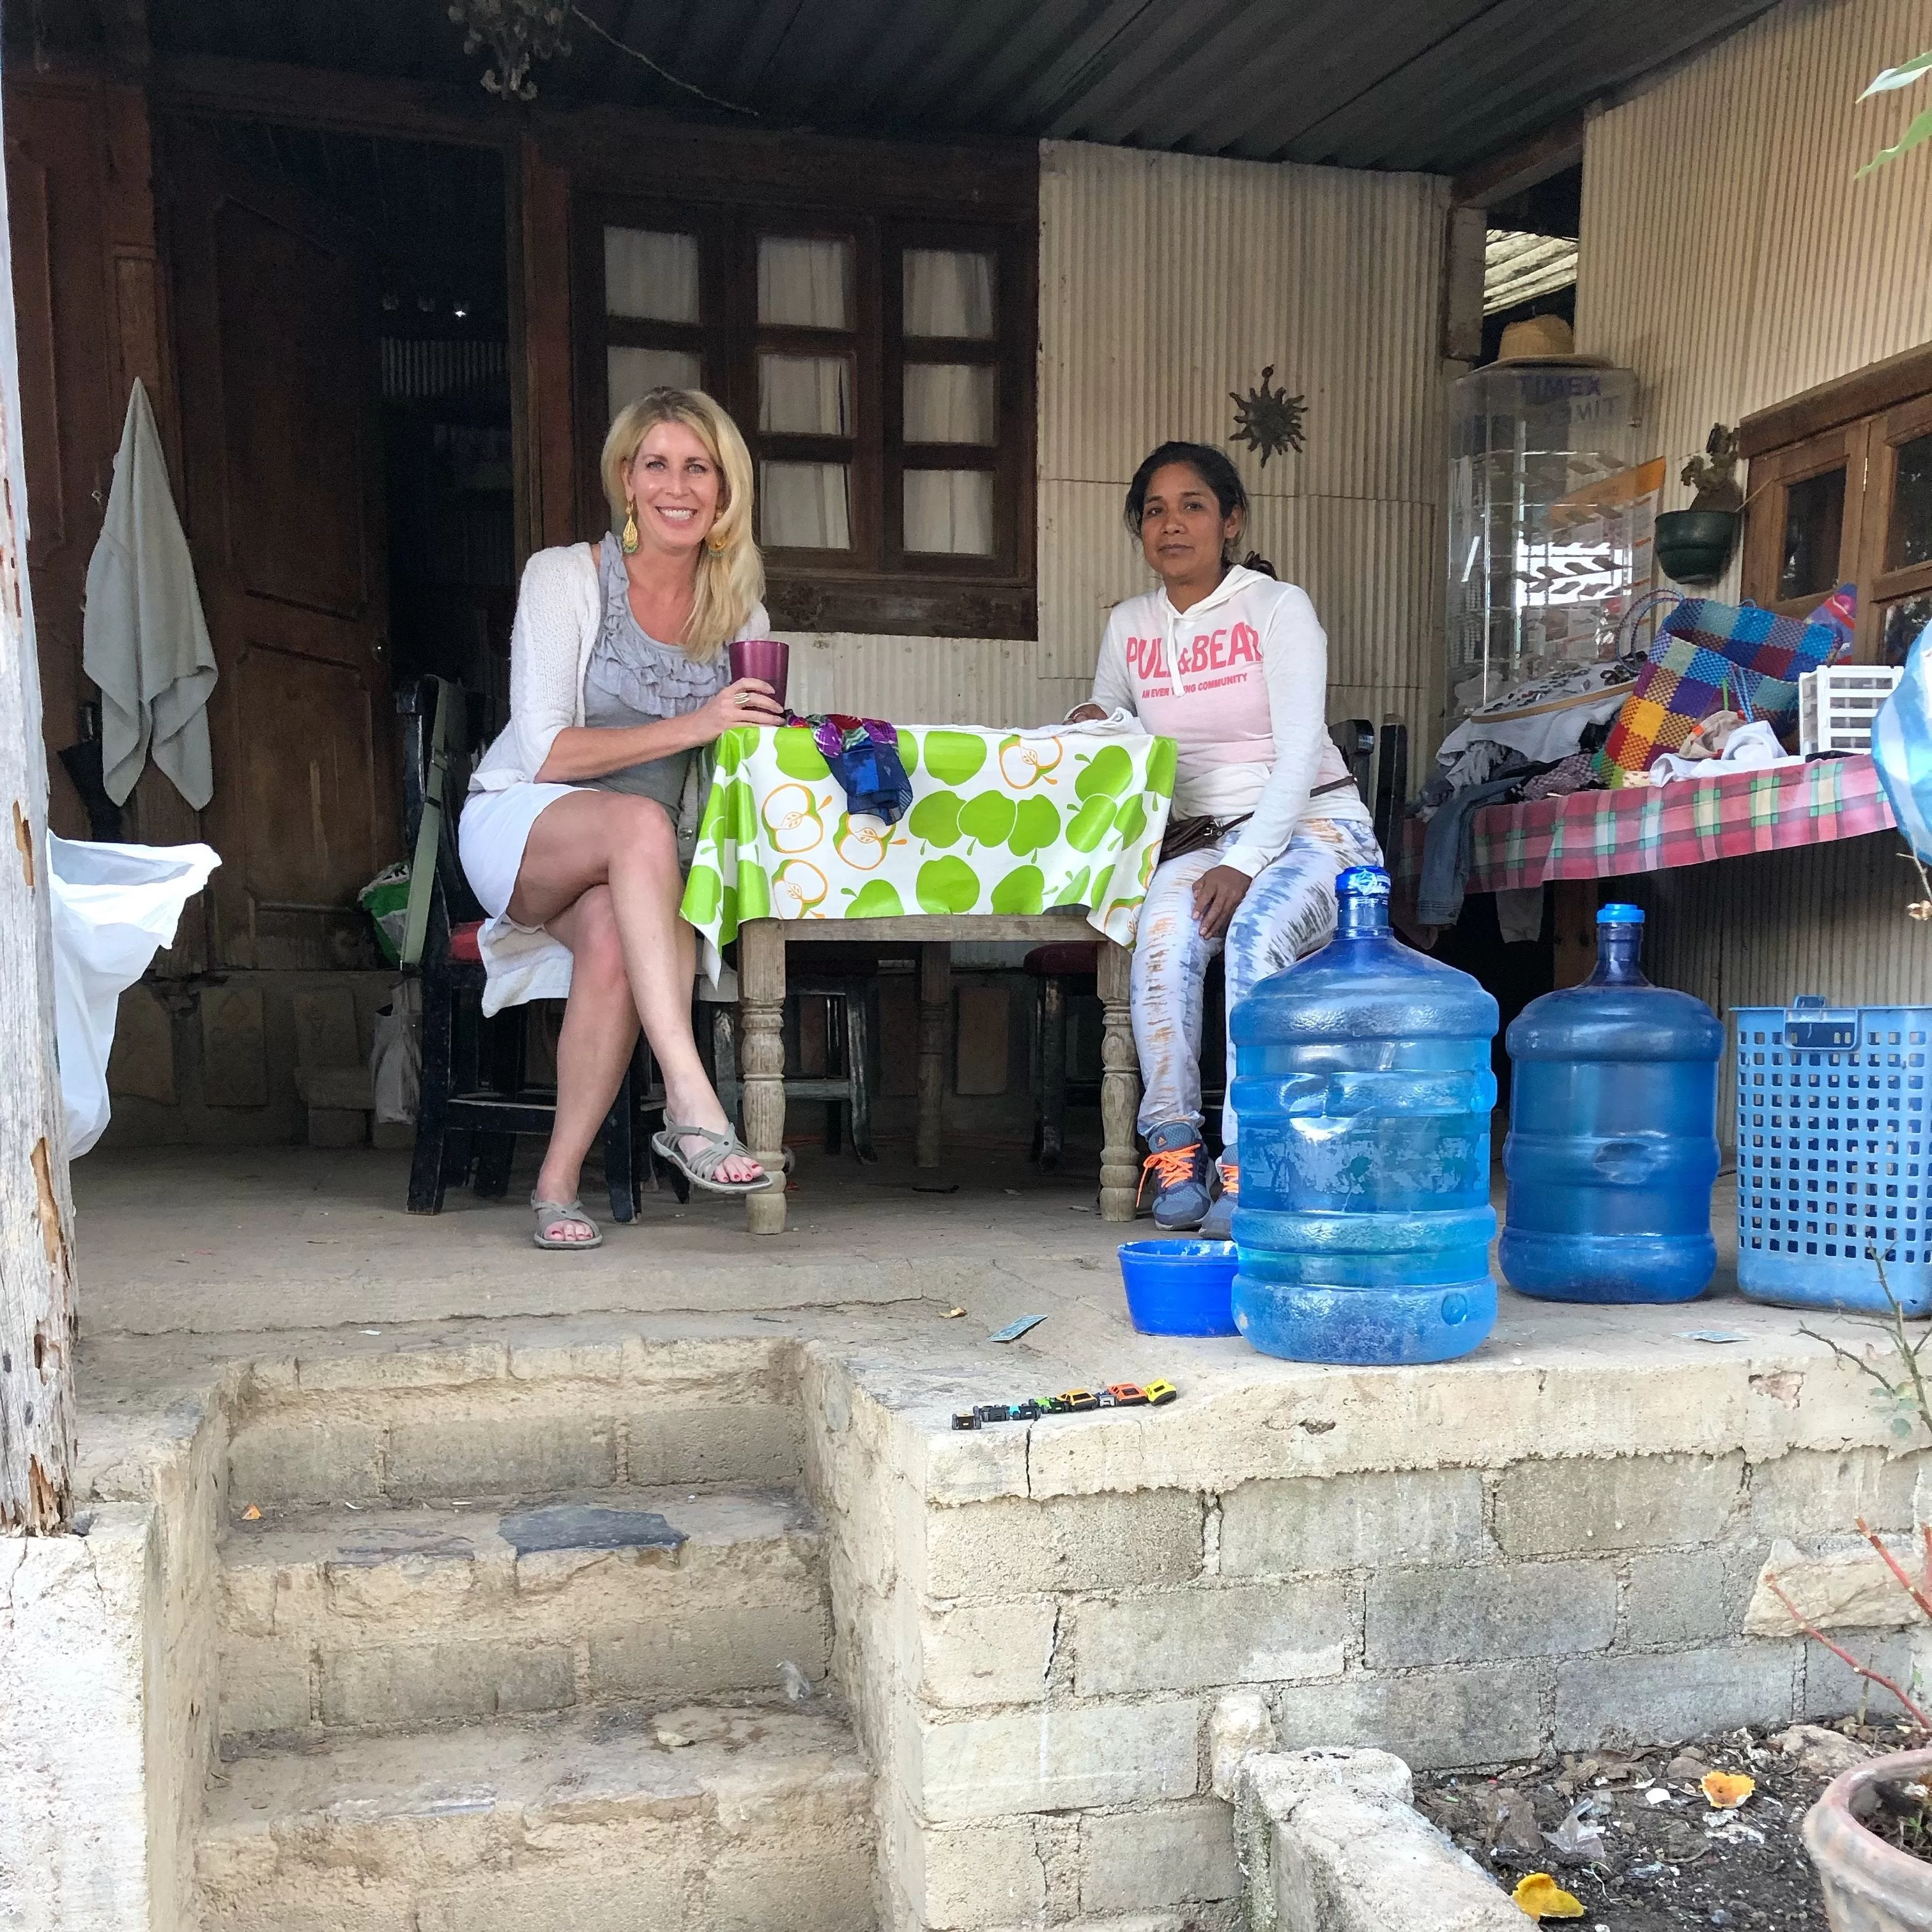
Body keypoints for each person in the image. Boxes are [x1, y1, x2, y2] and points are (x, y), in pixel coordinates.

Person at [459, 388, 785, 1249]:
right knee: (639, 824)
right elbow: (545, 751)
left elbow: (730, 766)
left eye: (698, 467)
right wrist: (700, 723)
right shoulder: (565, 576)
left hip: (634, 859)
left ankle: (556, 1186)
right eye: (657, 465)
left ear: (724, 491)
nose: (677, 485)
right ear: (626, 482)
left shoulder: (738, 616)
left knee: (613, 934)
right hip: (524, 824)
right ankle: (689, 1096)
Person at [1069, 441, 1381, 1235]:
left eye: (1193, 505)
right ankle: (1174, 1146)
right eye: (1154, 510)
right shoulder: (1129, 623)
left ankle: (1252, 1157)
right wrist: (1091, 722)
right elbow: (1112, 713)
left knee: (1252, 938)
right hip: (1204, 838)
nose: (1172, 525)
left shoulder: (1278, 609)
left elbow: (1300, 743)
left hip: (1317, 827)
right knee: (1162, 936)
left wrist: (1247, 865)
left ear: (1231, 520)